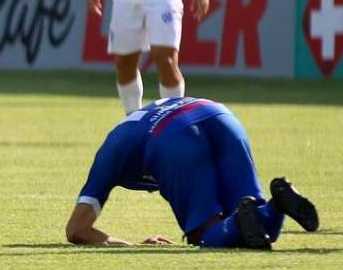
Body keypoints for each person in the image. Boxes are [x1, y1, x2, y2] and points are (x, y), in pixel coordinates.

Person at [65, 97, 319, 249]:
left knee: (205, 237)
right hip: (221, 116)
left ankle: (273, 208)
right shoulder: (128, 132)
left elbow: (76, 230)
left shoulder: (108, 156)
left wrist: (129, 246)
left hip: (172, 135)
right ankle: (278, 204)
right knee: (254, 224)